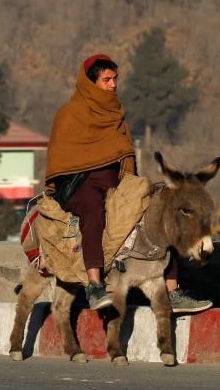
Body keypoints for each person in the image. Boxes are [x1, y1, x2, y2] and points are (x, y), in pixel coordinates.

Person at [46, 55, 210, 314]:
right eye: (106, 80)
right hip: (78, 183)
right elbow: (62, 158)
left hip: (115, 182)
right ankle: (95, 286)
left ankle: (172, 291)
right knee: (93, 213)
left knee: (164, 206)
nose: (113, 85)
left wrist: (129, 183)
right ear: (91, 83)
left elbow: (124, 153)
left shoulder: (116, 113)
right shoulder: (69, 114)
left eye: (115, 79)